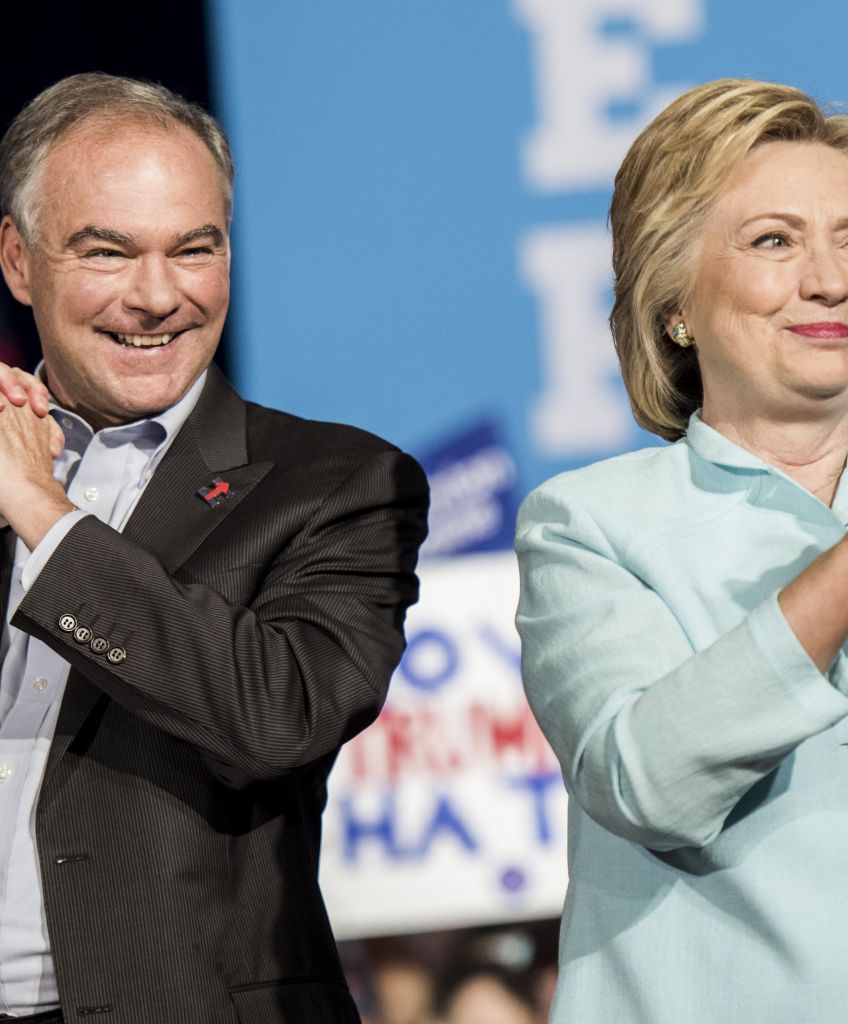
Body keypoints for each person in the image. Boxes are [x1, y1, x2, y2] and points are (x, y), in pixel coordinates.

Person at [0, 73, 428, 1023]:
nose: (158, 297)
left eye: (194, 249)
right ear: (19, 261)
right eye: (107, 251)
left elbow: (275, 718)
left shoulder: (336, 483)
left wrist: (40, 509)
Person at [516, 78, 848, 1023]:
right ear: (676, 305)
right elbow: (644, 783)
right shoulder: (590, 522)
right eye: (775, 241)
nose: (829, 278)